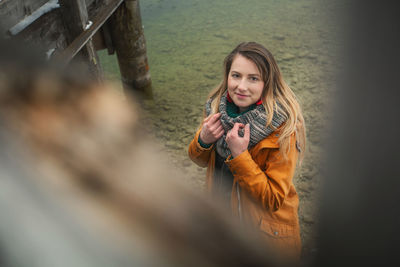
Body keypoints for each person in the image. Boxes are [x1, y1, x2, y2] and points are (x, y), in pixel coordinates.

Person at [188, 42, 306, 260]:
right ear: (227, 77)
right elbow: (199, 159)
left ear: (267, 83)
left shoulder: (282, 128)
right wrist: (203, 140)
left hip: (263, 240)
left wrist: (241, 156)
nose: (241, 86)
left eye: (253, 78)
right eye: (236, 75)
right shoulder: (218, 110)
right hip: (222, 224)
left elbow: (273, 199)